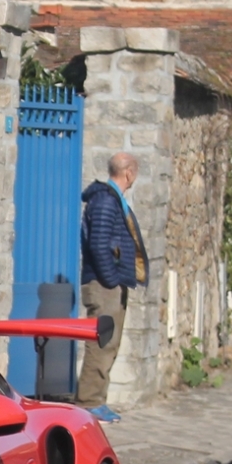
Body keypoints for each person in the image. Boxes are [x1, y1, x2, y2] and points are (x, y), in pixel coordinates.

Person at [78, 152, 147, 412]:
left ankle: (97, 399)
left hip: (112, 283)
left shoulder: (112, 200)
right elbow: (98, 245)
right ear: (128, 173)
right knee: (102, 343)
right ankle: (90, 402)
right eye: (135, 172)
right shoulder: (106, 202)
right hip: (104, 284)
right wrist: (111, 279)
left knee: (110, 342)